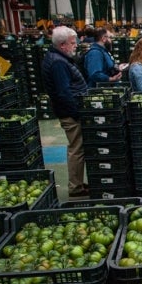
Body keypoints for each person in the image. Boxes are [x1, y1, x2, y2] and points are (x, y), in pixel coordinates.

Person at [41, 26, 90, 198]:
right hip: (70, 113)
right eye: (72, 42)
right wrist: (77, 113)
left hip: (70, 110)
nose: (76, 45)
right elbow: (64, 93)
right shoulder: (58, 63)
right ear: (62, 45)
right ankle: (75, 187)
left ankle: (77, 183)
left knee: (77, 148)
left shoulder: (57, 58)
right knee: (76, 149)